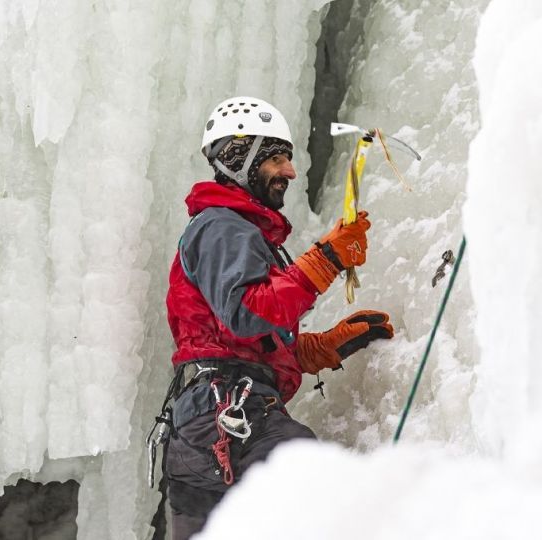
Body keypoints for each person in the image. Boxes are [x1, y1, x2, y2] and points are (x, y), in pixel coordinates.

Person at [162, 96, 394, 539]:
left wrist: (316, 349)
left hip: (204, 426)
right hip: (227, 412)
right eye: (275, 158)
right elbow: (247, 313)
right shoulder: (222, 225)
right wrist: (325, 259)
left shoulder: (228, 230)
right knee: (306, 477)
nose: (289, 171)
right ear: (238, 158)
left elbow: (236, 339)